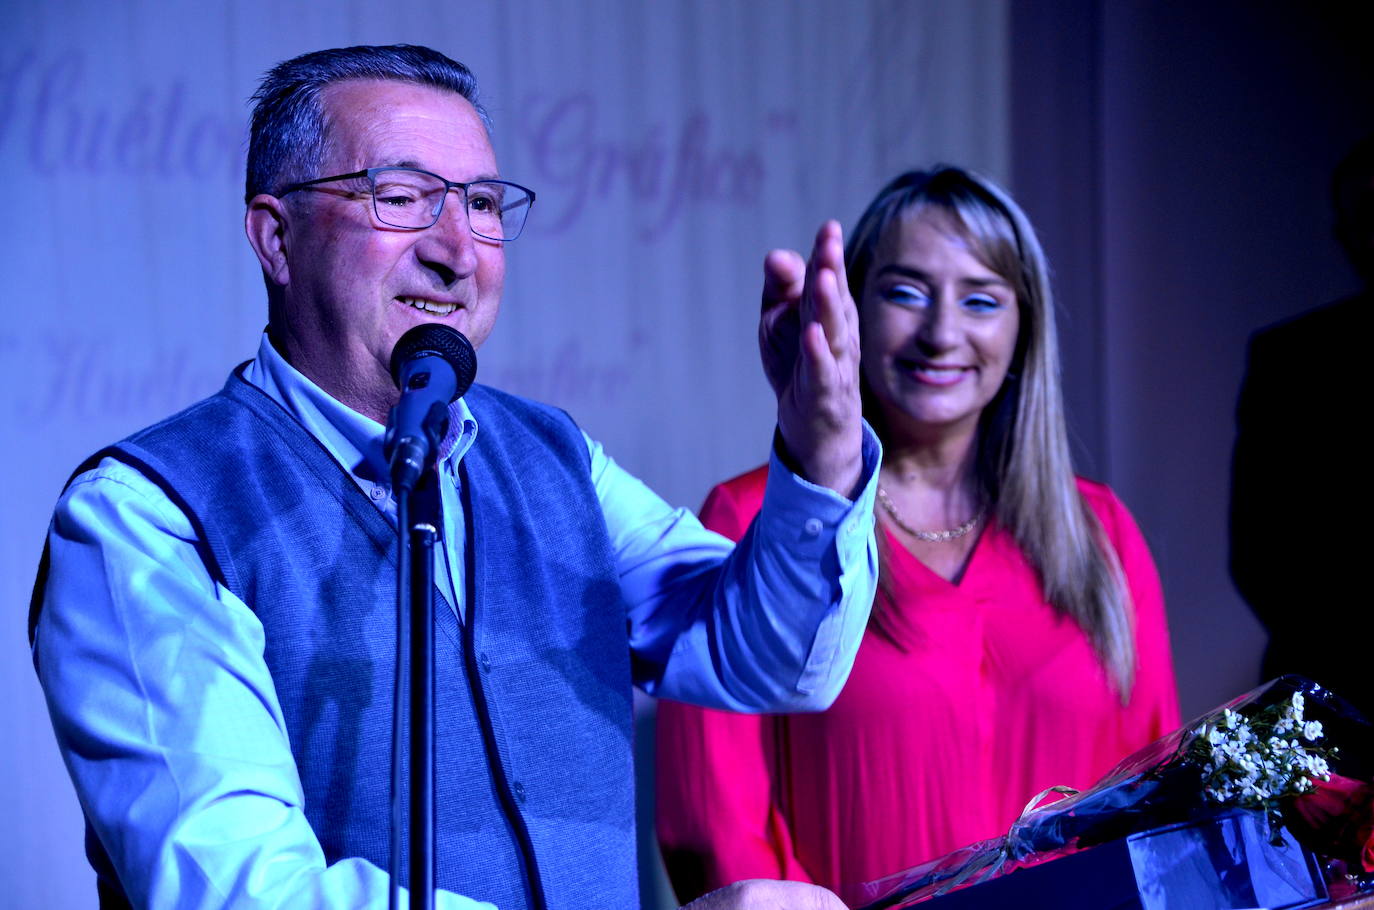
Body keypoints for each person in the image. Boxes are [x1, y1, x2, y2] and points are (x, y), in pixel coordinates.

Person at [28, 45, 883, 910]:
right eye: (400, 198)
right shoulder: (146, 516)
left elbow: (774, 659)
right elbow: (247, 894)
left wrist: (823, 453)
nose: (457, 252)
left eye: (480, 204)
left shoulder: (553, 457)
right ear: (276, 238)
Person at [656, 167, 1180, 904]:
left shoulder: (1102, 532)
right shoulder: (752, 520)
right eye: (906, 293)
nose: (941, 334)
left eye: (981, 300)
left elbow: (1158, 794)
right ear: (852, 311)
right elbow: (715, 826)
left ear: (1023, 328)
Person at [1230, 132, 1373, 721]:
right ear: (1345, 234)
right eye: (1366, 215)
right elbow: (1258, 550)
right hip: (1333, 693)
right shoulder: (1291, 359)